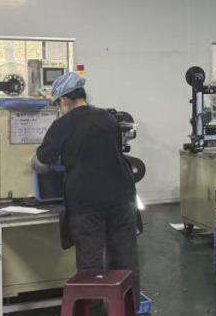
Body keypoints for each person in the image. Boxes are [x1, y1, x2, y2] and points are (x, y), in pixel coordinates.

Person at [31, 73, 140, 300]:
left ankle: (94, 315)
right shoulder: (107, 117)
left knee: (90, 262)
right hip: (122, 195)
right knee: (125, 259)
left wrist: (33, 160)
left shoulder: (62, 125)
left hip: (86, 200)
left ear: (63, 100)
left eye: (58, 104)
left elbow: (42, 163)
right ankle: (128, 310)